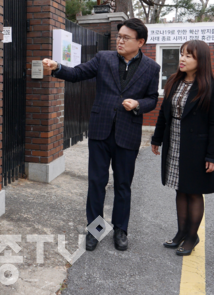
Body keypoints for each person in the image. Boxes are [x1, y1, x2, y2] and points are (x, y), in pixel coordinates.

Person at [42, 18, 160, 252]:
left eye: (126, 38)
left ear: (140, 42)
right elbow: (77, 73)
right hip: (100, 130)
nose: (120, 41)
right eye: (119, 37)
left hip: (128, 133)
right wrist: (57, 68)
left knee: (123, 185)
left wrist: (138, 103)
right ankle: (94, 230)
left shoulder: (151, 68)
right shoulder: (103, 58)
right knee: (97, 182)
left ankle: (120, 230)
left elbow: (153, 99)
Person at [151, 40, 214, 256]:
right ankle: (181, 232)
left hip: (197, 147)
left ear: (201, 60)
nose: (182, 59)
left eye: (189, 56)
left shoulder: (213, 86)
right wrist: (157, 138)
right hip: (174, 142)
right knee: (180, 188)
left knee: (193, 191)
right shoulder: (174, 81)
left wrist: (213, 155)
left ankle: (192, 236)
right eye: (182, 54)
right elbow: (164, 113)